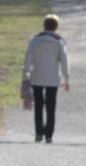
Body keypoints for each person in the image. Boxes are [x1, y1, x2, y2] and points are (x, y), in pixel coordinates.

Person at [23, 14, 70, 143]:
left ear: (44, 26)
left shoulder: (35, 41)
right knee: (51, 106)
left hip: (37, 76)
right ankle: (49, 134)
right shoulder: (59, 42)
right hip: (53, 78)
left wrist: (25, 74)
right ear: (56, 27)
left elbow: (28, 59)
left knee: (38, 105)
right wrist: (67, 78)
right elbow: (64, 61)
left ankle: (39, 133)